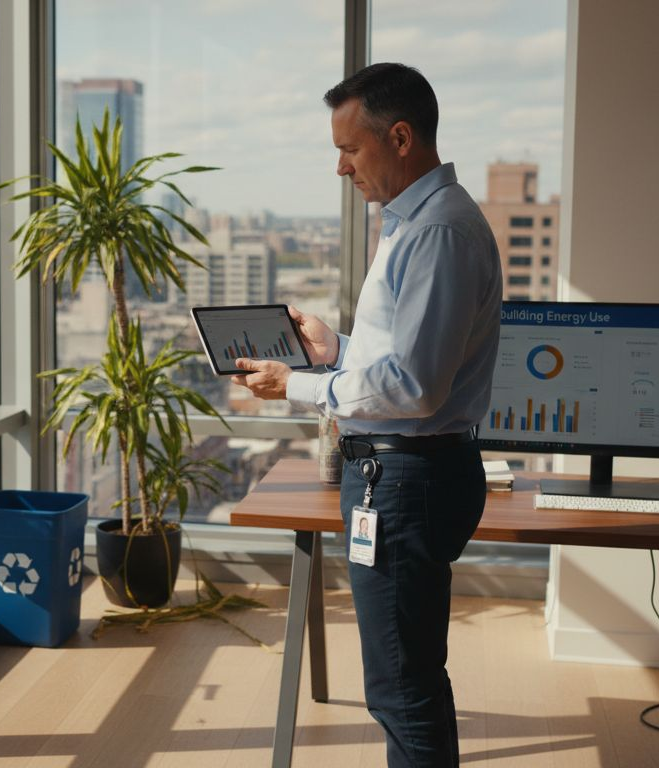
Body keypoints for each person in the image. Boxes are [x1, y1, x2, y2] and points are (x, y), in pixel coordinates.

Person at [231, 62, 501, 766]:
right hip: (406, 474)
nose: (341, 167)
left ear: (401, 137)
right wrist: (338, 349)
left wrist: (299, 385)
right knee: (408, 677)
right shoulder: (418, 225)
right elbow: (408, 360)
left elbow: (415, 387)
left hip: (404, 481)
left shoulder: (437, 233)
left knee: (401, 689)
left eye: (350, 148)